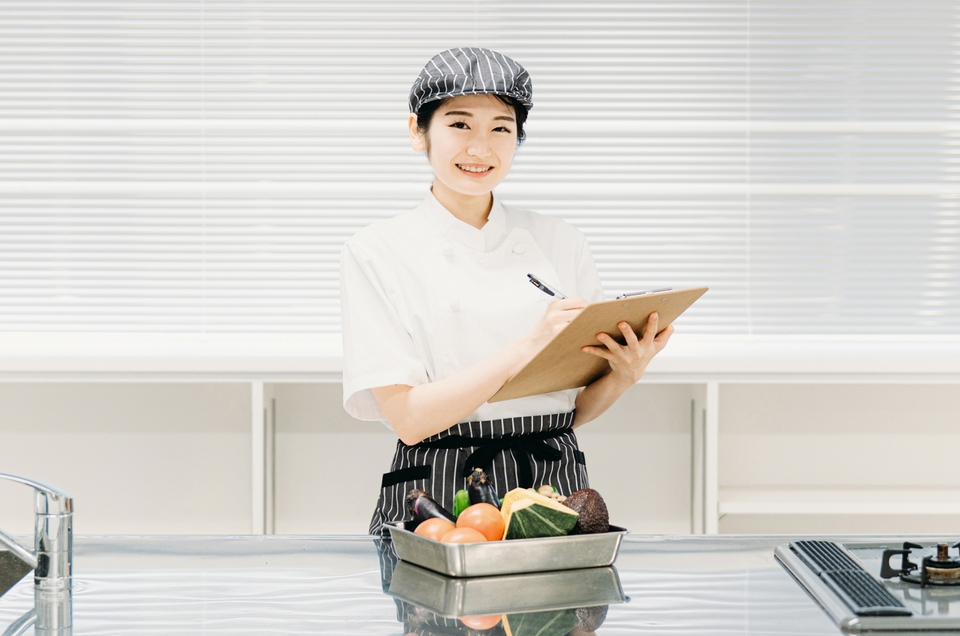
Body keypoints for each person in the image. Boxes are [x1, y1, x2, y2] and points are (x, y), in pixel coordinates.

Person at [340, 48, 673, 535]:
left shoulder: (561, 240)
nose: (481, 148)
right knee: (443, 614)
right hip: (442, 488)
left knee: (559, 613)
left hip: (553, 480)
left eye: (501, 128)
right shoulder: (376, 250)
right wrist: (532, 341)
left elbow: (571, 410)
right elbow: (409, 420)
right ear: (418, 132)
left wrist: (624, 374)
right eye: (459, 125)